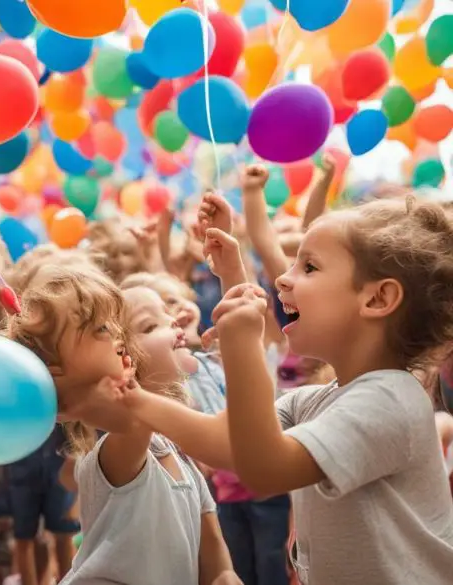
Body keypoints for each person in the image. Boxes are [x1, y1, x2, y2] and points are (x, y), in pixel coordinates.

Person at [113, 192, 453, 584]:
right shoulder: (320, 400)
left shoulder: (391, 400)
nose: (281, 278)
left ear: (378, 298)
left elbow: (265, 469)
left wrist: (239, 343)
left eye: (308, 267)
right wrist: (233, 280)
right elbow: (234, 439)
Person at [5, 262, 240, 585]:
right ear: (58, 371)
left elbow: (214, 555)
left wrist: (225, 576)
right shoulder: (114, 449)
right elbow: (133, 420)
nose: (117, 336)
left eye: (116, 327)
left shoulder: (179, 456)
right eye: (102, 329)